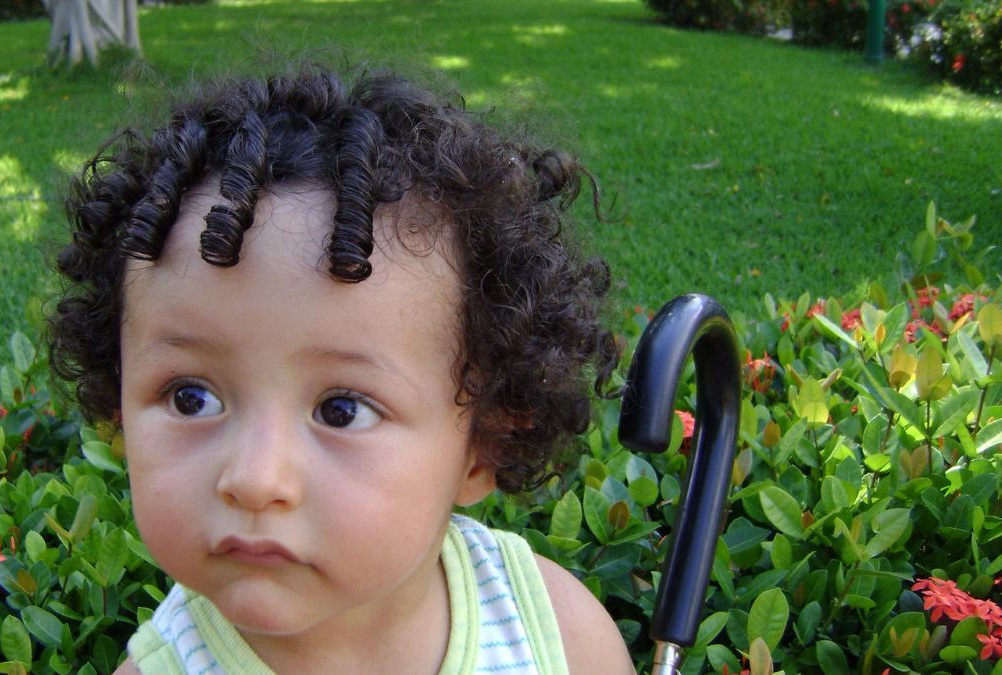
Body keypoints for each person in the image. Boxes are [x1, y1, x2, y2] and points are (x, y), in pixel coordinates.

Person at [49, 64, 635, 674]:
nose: (254, 479)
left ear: (485, 444)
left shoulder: (556, 637)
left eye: (342, 410)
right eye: (190, 398)